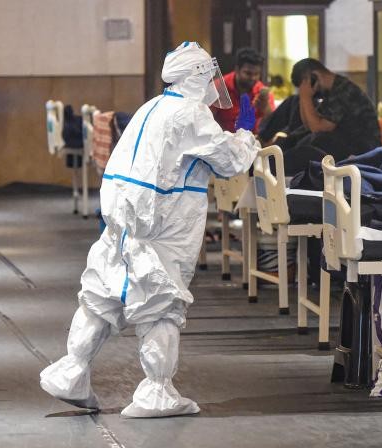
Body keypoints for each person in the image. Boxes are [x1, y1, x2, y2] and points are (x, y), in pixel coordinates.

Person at [39, 41, 259, 418]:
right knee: (162, 303)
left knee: (102, 296)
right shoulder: (191, 114)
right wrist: (246, 138)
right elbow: (228, 162)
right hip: (164, 222)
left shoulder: (150, 107)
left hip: (122, 220)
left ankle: (72, 370)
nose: (213, 84)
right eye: (209, 76)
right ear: (195, 77)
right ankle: (156, 391)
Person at [275, 58, 381, 175]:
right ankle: (273, 164)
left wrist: (306, 97)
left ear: (314, 77)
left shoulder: (344, 90)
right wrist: (303, 96)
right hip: (346, 145)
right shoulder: (332, 91)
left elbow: (318, 128)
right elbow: (308, 125)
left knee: (310, 146)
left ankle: (276, 169)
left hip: (362, 151)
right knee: (296, 137)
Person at [211, 47, 275, 133]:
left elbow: (274, 122)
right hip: (221, 139)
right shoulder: (218, 87)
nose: (253, 78)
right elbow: (206, 119)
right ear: (237, 70)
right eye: (248, 73)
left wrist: (265, 107)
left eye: (257, 74)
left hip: (253, 141)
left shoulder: (261, 93)